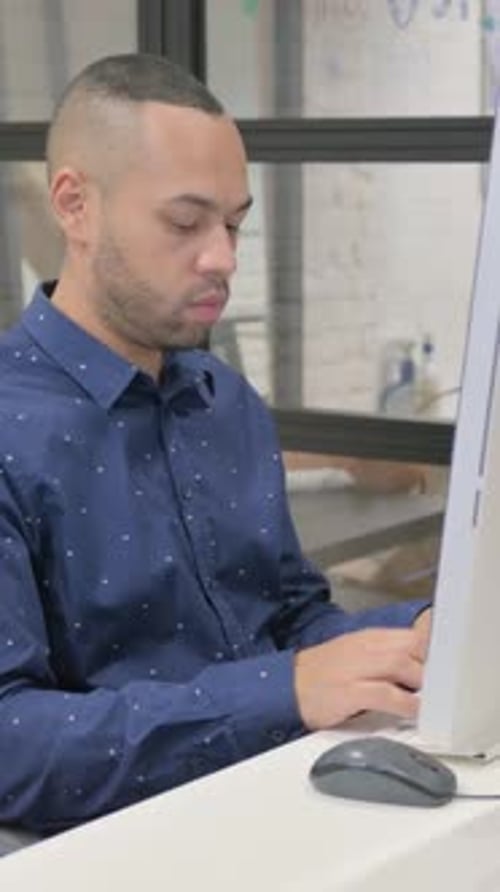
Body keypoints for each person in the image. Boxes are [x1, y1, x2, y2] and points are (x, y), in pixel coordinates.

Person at [0, 53, 430, 836]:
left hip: (285, 803)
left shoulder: (224, 401)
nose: (223, 258)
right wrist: (283, 690)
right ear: (74, 205)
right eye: (184, 222)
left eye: (233, 223)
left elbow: (292, 622)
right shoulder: (9, 429)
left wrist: (422, 633)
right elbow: (11, 743)